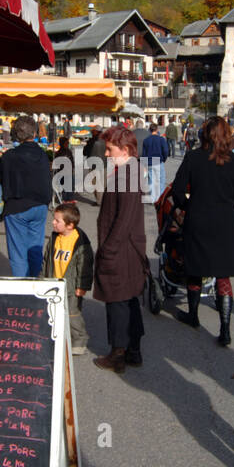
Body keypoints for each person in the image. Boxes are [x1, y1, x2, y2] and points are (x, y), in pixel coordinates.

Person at [170, 116, 234, 346]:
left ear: (204, 135)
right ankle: (225, 330)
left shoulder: (194, 157)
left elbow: (176, 190)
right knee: (222, 276)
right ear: (227, 136)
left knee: (195, 269)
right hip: (225, 222)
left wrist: (186, 207)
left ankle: (193, 316)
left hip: (198, 219)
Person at [92, 125, 147, 372]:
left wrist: (108, 250)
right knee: (128, 300)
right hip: (129, 248)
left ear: (124, 150)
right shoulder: (130, 170)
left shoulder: (127, 175)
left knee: (117, 302)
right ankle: (133, 350)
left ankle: (118, 352)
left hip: (122, 249)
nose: (106, 154)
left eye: (109, 149)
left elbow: (123, 220)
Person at [0, 115, 53, 277]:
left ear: (16, 135)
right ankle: (35, 281)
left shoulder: (10, 156)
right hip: (40, 205)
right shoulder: (42, 155)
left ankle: (23, 289)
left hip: (17, 206)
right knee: (35, 248)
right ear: (34, 134)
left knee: (18, 252)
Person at [41, 201, 94, 356]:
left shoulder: (80, 243)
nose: (53, 222)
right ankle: (57, 336)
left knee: (72, 314)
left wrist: (82, 286)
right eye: (54, 219)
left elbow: (85, 266)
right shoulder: (55, 238)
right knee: (53, 311)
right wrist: (42, 277)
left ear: (70, 225)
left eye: (57, 221)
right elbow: (47, 259)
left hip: (71, 287)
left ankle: (79, 340)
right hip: (53, 283)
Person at [141, 123, 170, 205]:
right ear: (157, 130)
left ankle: (152, 197)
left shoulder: (146, 140)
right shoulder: (161, 139)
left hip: (149, 162)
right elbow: (165, 151)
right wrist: (164, 159)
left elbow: (144, 154)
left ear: (150, 130)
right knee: (161, 180)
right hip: (158, 161)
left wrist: (144, 165)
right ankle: (159, 198)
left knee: (151, 180)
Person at [84, 126, 107, 204]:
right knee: (102, 183)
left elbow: (85, 152)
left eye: (93, 131)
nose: (91, 133)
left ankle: (99, 201)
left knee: (95, 183)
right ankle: (102, 200)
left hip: (93, 165)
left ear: (96, 132)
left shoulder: (91, 141)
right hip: (104, 164)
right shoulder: (106, 141)